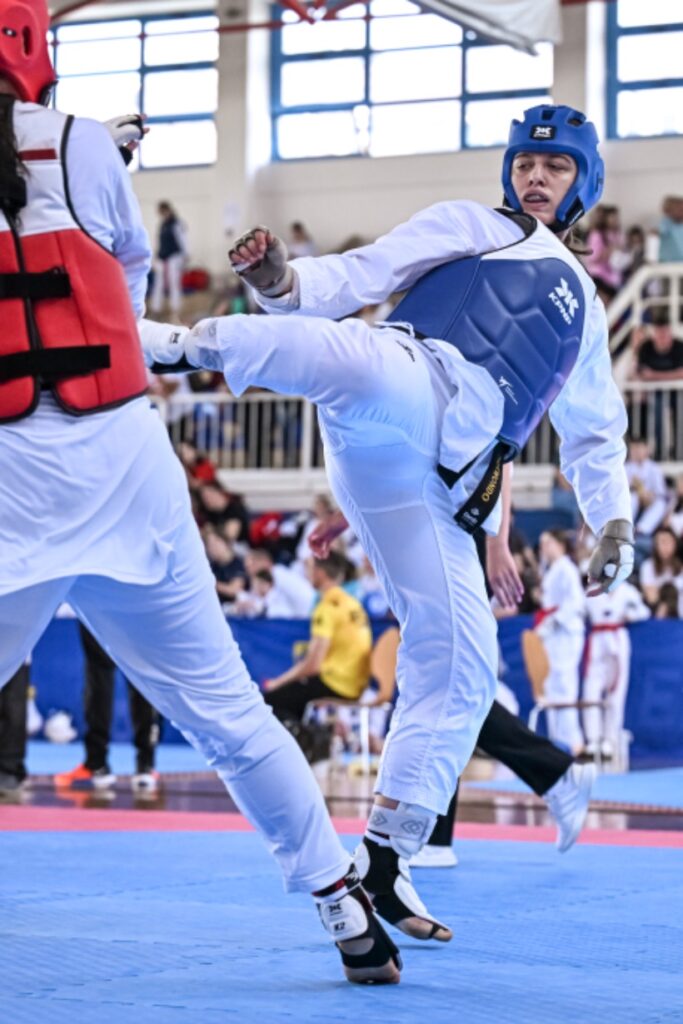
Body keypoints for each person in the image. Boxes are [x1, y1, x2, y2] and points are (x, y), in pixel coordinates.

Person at [142, 103, 634, 945]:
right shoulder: (476, 224)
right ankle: (170, 345)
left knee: (465, 666)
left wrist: (613, 521)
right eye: (524, 163)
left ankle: (385, 855)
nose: (534, 176)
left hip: (442, 484)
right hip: (414, 380)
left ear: (582, 183)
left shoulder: (587, 311)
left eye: (554, 168)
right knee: (345, 357)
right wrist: (282, 285)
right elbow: (363, 272)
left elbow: (594, 434)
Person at [0, 4, 399, 986]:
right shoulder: (81, 145)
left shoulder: (82, 146)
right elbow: (120, 286)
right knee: (227, 710)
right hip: (122, 459)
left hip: (12, 475)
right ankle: (342, 903)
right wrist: (97, 160)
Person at [263, 552, 372, 724]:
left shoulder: (326, 607)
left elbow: (313, 665)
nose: (307, 573)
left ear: (320, 573)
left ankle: (300, 740)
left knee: (269, 702)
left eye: (310, 568)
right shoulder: (353, 603)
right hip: (356, 684)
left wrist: (277, 682)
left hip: (336, 684)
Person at [54, 624, 161, 792]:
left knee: (136, 673)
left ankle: (139, 765)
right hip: (116, 612)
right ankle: (104, 764)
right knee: (103, 674)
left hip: (123, 612)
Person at [582, 581, 650, 760]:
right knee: (591, 690)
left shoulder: (628, 591)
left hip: (617, 640)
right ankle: (593, 739)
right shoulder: (591, 591)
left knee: (616, 693)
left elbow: (643, 611)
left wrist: (630, 615)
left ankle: (610, 741)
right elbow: (579, 611)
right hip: (597, 640)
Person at [535, 530, 586, 754]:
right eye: (541, 544)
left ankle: (572, 742)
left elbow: (576, 602)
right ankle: (557, 740)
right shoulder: (550, 569)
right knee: (551, 684)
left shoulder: (567, 568)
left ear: (560, 545)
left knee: (565, 684)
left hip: (565, 631)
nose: (544, 548)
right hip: (553, 633)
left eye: (548, 543)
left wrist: (554, 622)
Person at [149, 200, 187, 321]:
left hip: (174, 258)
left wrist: (185, 255)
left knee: (174, 284)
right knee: (158, 285)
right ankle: (155, 310)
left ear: (166, 210)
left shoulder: (177, 223)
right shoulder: (162, 224)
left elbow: (183, 240)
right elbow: (159, 243)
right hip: (162, 258)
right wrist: (155, 258)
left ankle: (175, 311)